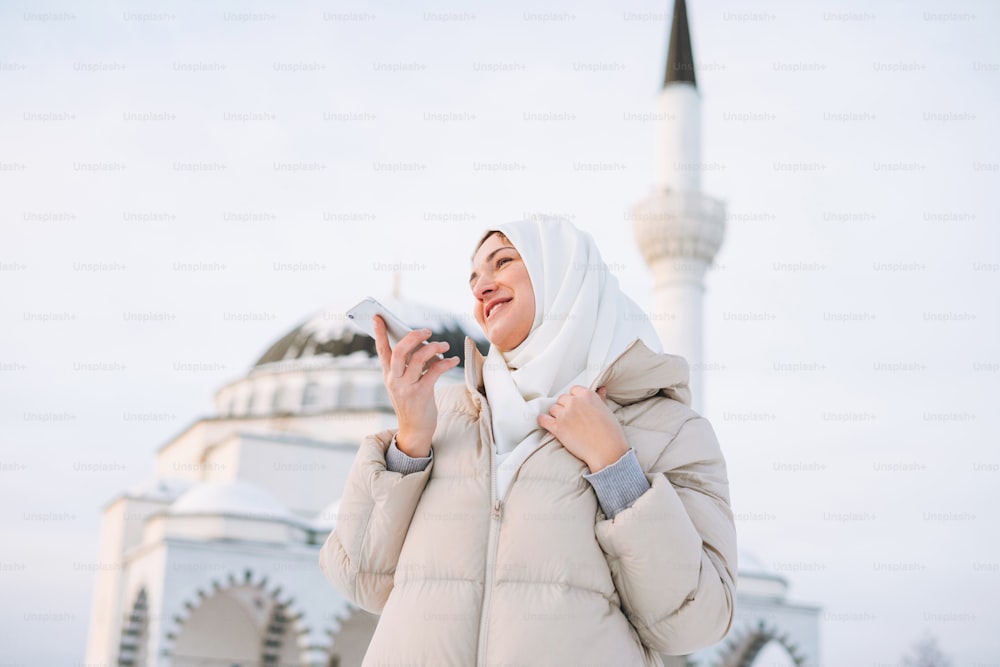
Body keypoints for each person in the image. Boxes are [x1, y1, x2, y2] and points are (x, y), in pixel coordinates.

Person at [319, 217, 737, 667]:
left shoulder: (668, 429)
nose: (481, 288)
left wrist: (616, 468)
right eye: (474, 278)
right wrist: (410, 442)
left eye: (503, 262)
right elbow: (359, 577)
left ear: (565, 276)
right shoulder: (445, 415)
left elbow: (696, 620)